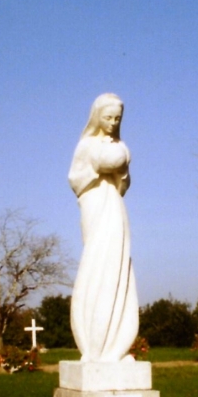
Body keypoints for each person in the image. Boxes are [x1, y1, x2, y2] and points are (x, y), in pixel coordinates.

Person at [68, 93, 139, 362]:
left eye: (117, 119)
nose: (112, 123)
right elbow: (82, 174)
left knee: (117, 264)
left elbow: (122, 178)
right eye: (107, 118)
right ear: (97, 117)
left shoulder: (118, 144)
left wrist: (120, 159)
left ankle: (115, 346)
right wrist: (114, 158)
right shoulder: (87, 145)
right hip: (95, 204)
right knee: (98, 262)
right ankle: (93, 345)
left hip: (113, 206)